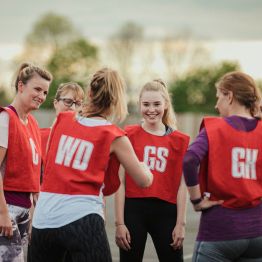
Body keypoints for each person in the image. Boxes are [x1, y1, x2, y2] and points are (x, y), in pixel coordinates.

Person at [29, 67, 153, 262]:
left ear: (89, 93)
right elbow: (143, 180)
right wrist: (145, 167)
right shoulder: (114, 135)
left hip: (44, 218)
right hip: (82, 216)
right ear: (117, 100)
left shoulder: (62, 120)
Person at [183, 71, 262, 261]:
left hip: (221, 229)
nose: (216, 105)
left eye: (219, 97)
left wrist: (196, 200)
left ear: (230, 96)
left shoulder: (215, 128)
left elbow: (189, 160)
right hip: (258, 231)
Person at [115, 79, 190, 262]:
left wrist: (180, 223)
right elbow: (120, 183)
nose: (151, 109)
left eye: (157, 104)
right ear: (139, 105)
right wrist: (119, 223)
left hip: (167, 212)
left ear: (165, 105)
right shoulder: (128, 135)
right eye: (146, 104)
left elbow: (183, 187)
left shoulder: (180, 140)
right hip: (134, 210)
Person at [0, 62, 52, 261]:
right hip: (7, 208)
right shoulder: (6, 118)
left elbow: (32, 176)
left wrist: (33, 216)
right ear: (21, 86)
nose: (41, 96)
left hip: (24, 211)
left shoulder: (32, 122)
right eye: (37, 89)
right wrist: (3, 213)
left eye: (45, 92)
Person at [40, 82, 84, 165]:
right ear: (56, 103)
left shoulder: (82, 142)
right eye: (68, 101)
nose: (72, 107)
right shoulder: (39, 136)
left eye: (78, 104)